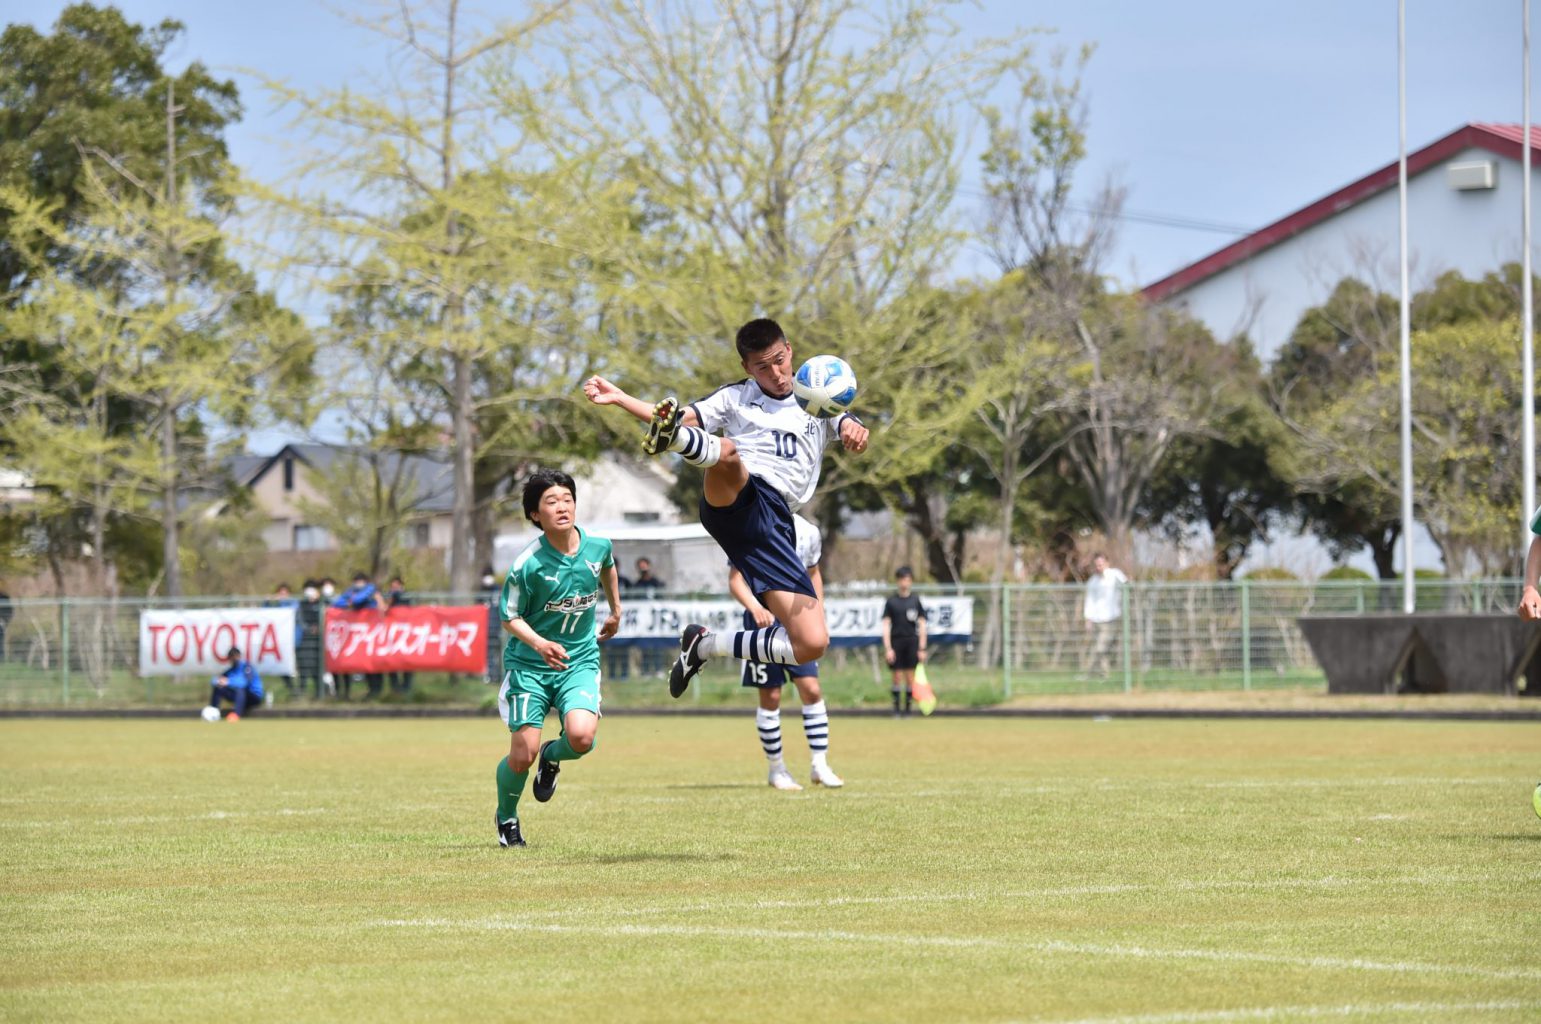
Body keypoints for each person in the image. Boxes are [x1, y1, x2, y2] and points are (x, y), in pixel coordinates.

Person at [583, 317, 869, 698]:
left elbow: (847, 420)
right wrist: (621, 398)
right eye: (762, 367)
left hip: (775, 527)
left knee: (812, 642)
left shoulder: (815, 395)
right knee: (729, 454)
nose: (776, 373)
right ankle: (678, 441)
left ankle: (702, 645)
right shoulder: (735, 397)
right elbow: (671, 414)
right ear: (747, 369)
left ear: (790, 352)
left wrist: (854, 428)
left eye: (779, 360)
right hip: (739, 497)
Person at [492, 469, 621, 848]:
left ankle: (553, 755)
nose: (562, 506)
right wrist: (540, 645)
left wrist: (615, 609)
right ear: (535, 515)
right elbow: (508, 616)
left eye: (567, 498)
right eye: (551, 501)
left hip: (578, 661)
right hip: (530, 667)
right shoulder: (526, 565)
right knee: (521, 755)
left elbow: (608, 567)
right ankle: (507, 817)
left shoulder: (598, 546)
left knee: (581, 737)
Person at [732, 513, 841, 790]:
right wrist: (755, 608)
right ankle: (776, 769)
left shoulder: (809, 531)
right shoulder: (752, 524)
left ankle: (819, 764)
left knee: (812, 689)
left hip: (799, 620)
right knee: (771, 695)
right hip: (762, 620)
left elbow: (814, 575)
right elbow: (735, 579)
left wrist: (820, 618)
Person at [881, 566, 928, 717]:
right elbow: (886, 625)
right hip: (896, 642)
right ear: (897, 581)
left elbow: (922, 624)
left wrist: (922, 647)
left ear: (911, 581)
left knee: (910, 677)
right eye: (902, 579)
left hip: (912, 642)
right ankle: (896, 709)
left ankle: (908, 709)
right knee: (896, 676)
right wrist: (888, 647)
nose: (904, 583)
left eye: (907, 580)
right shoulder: (891, 601)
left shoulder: (915, 600)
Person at [333, 571, 386, 699]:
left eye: (360, 581)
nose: (357, 584)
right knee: (363, 664)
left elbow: (358, 599)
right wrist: (350, 603)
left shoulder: (370, 588)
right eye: (356, 581)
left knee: (374, 664)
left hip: (372, 633)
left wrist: (351, 602)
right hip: (357, 635)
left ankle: (376, 691)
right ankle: (365, 692)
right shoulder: (351, 591)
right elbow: (337, 602)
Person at [1080, 553, 1129, 679]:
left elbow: (1127, 584)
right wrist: (1088, 619)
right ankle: (1105, 675)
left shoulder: (1115, 574)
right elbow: (1089, 601)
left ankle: (1088, 673)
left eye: (1101, 564)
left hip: (1111, 618)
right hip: (1096, 620)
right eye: (1096, 565)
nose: (1098, 567)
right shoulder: (1093, 581)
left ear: (1107, 563)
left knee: (1100, 647)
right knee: (1101, 649)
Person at [206, 646, 265, 721]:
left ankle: (236, 715)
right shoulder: (230, 671)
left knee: (240, 689)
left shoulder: (247, 667)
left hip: (254, 697)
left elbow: (244, 683)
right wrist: (219, 681)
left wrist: (228, 682)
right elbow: (214, 680)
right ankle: (213, 711)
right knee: (218, 688)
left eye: (235, 656)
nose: (234, 659)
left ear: (239, 656)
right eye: (231, 657)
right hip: (240, 697)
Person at [265, 583, 301, 696]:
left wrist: (282, 601)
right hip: (280, 643)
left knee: (300, 667)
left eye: (285, 592)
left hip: (294, 642)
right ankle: (292, 690)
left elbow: (293, 609)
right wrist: (268, 601)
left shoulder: (293, 603)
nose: (282, 595)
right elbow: (264, 613)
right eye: (280, 592)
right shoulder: (275, 605)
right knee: (283, 668)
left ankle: (301, 691)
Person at [384, 575, 415, 696]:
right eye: (392, 587)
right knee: (392, 662)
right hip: (392, 636)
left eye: (397, 586)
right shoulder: (388, 598)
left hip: (406, 635)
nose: (394, 589)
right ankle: (395, 688)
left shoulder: (407, 598)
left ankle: (406, 688)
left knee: (408, 663)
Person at [296, 579, 325, 698]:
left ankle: (319, 694)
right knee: (304, 668)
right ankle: (301, 694)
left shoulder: (321, 603)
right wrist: (309, 629)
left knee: (317, 669)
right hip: (305, 640)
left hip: (319, 641)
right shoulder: (301, 604)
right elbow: (300, 621)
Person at [479, 566, 502, 686]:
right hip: (484, 627)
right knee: (488, 653)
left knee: (495, 651)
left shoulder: (498, 589)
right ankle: (490, 675)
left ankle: (495, 675)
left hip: (496, 625)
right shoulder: (481, 591)